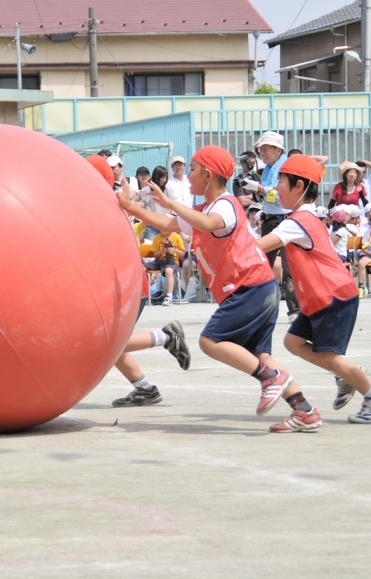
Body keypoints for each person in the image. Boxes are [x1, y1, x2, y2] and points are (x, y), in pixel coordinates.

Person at [119, 145, 316, 432]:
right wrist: (130, 207)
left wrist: (170, 201)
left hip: (250, 286)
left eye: (193, 170)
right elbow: (168, 224)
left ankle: (269, 378)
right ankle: (304, 409)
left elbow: (209, 223)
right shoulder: (204, 209)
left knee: (210, 341)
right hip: (257, 287)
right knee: (260, 356)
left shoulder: (225, 204)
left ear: (208, 175)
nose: (188, 176)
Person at [256, 155, 371, 424]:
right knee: (293, 342)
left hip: (334, 295)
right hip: (322, 297)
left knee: (330, 356)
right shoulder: (304, 216)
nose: (276, 188)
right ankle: (346, 375)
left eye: (281, 181)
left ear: (299, 186)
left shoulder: (297, 222)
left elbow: (257, 247)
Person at [83, 154, 190, 407]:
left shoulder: (101, 207)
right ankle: (145, 389)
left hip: (124, 283)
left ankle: (165, 336)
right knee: (111, 341)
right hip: (124, 282)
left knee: (106, 342)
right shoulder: (107, 203)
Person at [249, 131, 299, 320]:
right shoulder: (268, 168)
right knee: (262, 263)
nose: (262, 152)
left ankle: (295, 310)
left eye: (266, 148)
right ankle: (257, 306)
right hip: (270, 219)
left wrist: (259, 188)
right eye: (260, 149)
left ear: (278, 150)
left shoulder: (285, 168)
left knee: (288, 266)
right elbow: (269, 199)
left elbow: (280, 195)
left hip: (285, 218)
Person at [140, 229, 185, 307]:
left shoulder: (176, 237)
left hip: (172, 261)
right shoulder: (156, 238)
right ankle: (144, 293)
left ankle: (169, 296)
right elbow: (155, 255)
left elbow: (183, 253)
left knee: (168, 271)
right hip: (159, 261)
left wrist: (174, 250)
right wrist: (161, 252)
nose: (162, 229)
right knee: (141, 268)